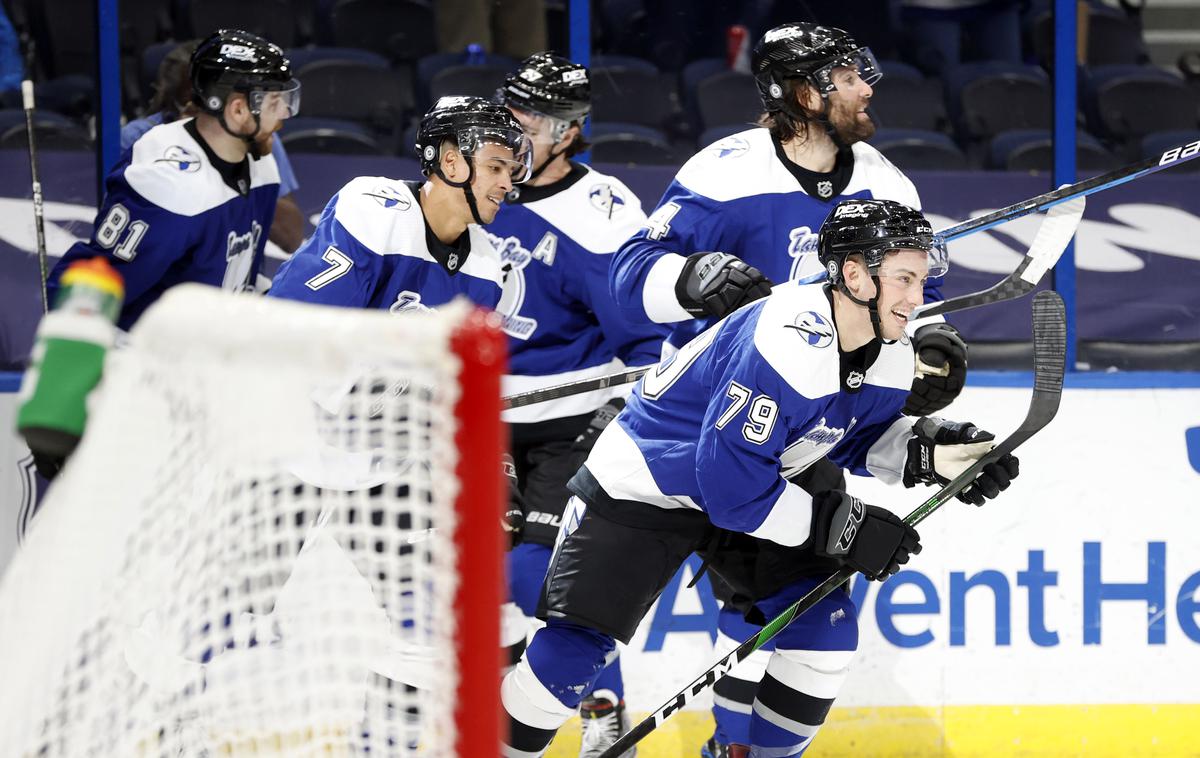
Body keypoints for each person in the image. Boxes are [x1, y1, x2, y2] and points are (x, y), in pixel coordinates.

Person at [501, 199, 1020, 758]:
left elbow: (849, 433)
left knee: (824, 633)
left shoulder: (890, 345)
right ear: (854, 275)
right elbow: (731, 488)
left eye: (921, 280)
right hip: (648, 479)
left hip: (750, 485)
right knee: (573, 653)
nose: (918, 299)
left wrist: (932, 453)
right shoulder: (789, 339)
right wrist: (840, 526)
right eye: (904, 278)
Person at [607, 24, 969, 753]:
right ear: (805, 94)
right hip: (705, 425)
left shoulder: (887, 182)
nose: (868, 88)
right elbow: (628, 278)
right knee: (594, 612)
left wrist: (925, 345)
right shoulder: (727, 171)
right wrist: (687, 278)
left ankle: (733, 744)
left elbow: (907, 294)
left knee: (791, 616)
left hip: (806, 430)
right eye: (848, 77)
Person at [490, 52, 667, 757]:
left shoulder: (605, 217)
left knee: (538, 576)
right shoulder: (478, 178)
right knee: (478, 578)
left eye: (529, 119)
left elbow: (654, 338)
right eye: (511, 109)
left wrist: (624, 407)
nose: (511, 128)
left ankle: (601, 707)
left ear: (568, 132)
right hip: (483, 416)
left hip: (571, 423)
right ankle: (504, 711)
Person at [46, 29, 298, 330]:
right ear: (239, 109)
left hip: (205, 352)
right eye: (274, 102)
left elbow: (230, 272)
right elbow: (89, 290)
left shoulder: (261, 166)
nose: (285, 113)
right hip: (145, 360)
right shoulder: (170, 188)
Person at [267, 95, 531, 324]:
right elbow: (298, 322)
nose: (507, 184)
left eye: (511, 171)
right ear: (451, 163)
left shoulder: (487, 265)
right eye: (495, 168)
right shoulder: (377, 210)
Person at [121, 39, 307, 254]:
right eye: (196, 100)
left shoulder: (257, 136)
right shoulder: (141, 139)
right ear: (176, 99)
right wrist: (195, 150)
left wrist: (238, 168)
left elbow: (291, 238)